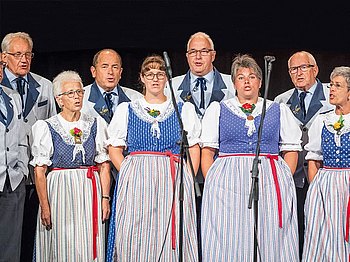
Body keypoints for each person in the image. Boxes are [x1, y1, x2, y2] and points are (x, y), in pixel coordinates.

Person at [201, 54, 301, 261]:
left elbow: (291, 149)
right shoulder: (219, 109)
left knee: (270, 231)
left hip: (269, 178)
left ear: (260, 82)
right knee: (230, 232)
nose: (247, 81)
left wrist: (283, 180)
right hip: (227, 182)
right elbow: (208, 150)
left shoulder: (277, 109)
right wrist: (213, 182)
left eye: (252, 76)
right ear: (234, 82)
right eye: (241, 77)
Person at [106, 55, 200, 261]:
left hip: (173, 177)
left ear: (167, 78)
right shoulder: (128, 109)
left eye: (160, 74)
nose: (155, 78)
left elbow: (193, 145)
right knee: (137, 228)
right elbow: (114, 147)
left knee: (172, 227)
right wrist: (130, 173)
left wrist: (188, 176)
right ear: (142, 78)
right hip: (137, 179)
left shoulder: (183, 109)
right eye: (149, 74)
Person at [30, 70, 110, 261]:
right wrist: (45, 206)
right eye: (71, 93)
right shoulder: (47, 126)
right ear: (59, 99)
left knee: (89, 241)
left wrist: (105, 198)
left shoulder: (96, 123)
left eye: (80, 92)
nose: (77, 97)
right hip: (60, 190)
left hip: (90, 190)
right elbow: (39, 171)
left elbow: (104, 165)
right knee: (62, 240)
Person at [1, 31, 57, 261]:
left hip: (28, 173)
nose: (24, 59)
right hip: (8, 172)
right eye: (17, 54)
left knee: (18, 238)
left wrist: (25, 167)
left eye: (28, 54)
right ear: (4, 57)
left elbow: (53, 123)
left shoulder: (43, 85)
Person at [274, 51, 334, 258]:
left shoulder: (331, 94)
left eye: (303, 68)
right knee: (296, 227)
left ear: (315, 70)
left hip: (323, 174)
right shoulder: (281, 101)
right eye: (293, 69)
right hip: (295, 176)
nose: (298, 73)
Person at [302, 66, 350, 261]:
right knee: (323, 236)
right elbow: (314, 158)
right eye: (331, 85)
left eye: (338, 86)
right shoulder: (323, 120)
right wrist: (316, 189)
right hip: (325, 184)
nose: (331, 90)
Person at [0, 55, 29, 262]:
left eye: (1, 66)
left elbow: (20, 138)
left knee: (10, 249)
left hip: (12, 180)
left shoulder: (12, 96)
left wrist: (22, 170)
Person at [81, 48, 142, 124]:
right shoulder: (81, 97)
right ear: (93, 71)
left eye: (115, 67)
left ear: (120, 72)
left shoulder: (136, 98)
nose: (110, 72)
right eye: (104, 67)